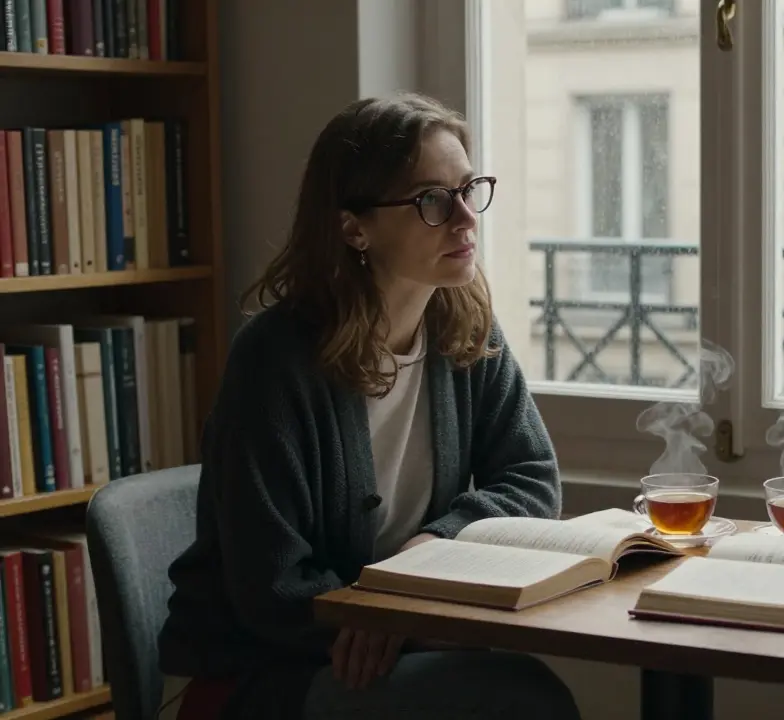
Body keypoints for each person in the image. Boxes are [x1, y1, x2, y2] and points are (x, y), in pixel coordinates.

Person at [154, 93, 581, 720]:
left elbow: (532, 479)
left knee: (520, 693)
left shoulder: (467, 331)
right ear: (355, 227)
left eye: (469, 188)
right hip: (264, 674)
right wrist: (388, 611)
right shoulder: (273, 361)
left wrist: (431, 553)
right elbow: (272, 587)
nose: (465, 217)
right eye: (432, 200)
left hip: (395, 642)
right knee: (523, 701)